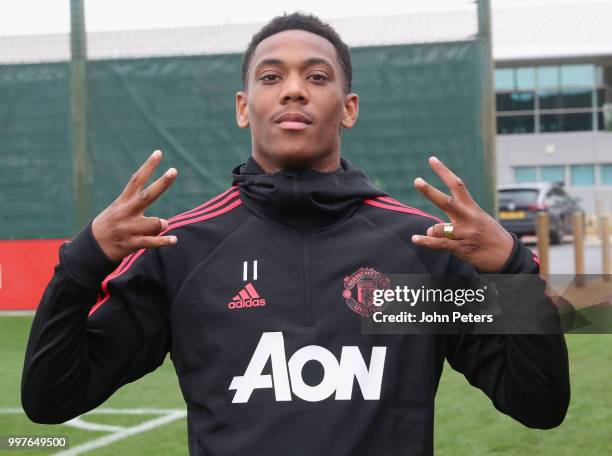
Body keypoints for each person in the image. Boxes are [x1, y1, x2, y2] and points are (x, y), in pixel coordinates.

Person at [22, 12, 569, 456]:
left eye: (316, 76)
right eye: (270, 76)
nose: (292, 92)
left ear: (348, 108)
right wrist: (83, 260)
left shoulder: (419, 250)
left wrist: (514, 272)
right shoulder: (184, 251)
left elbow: (539, 407)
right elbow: (52, 400)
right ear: (243, 107)